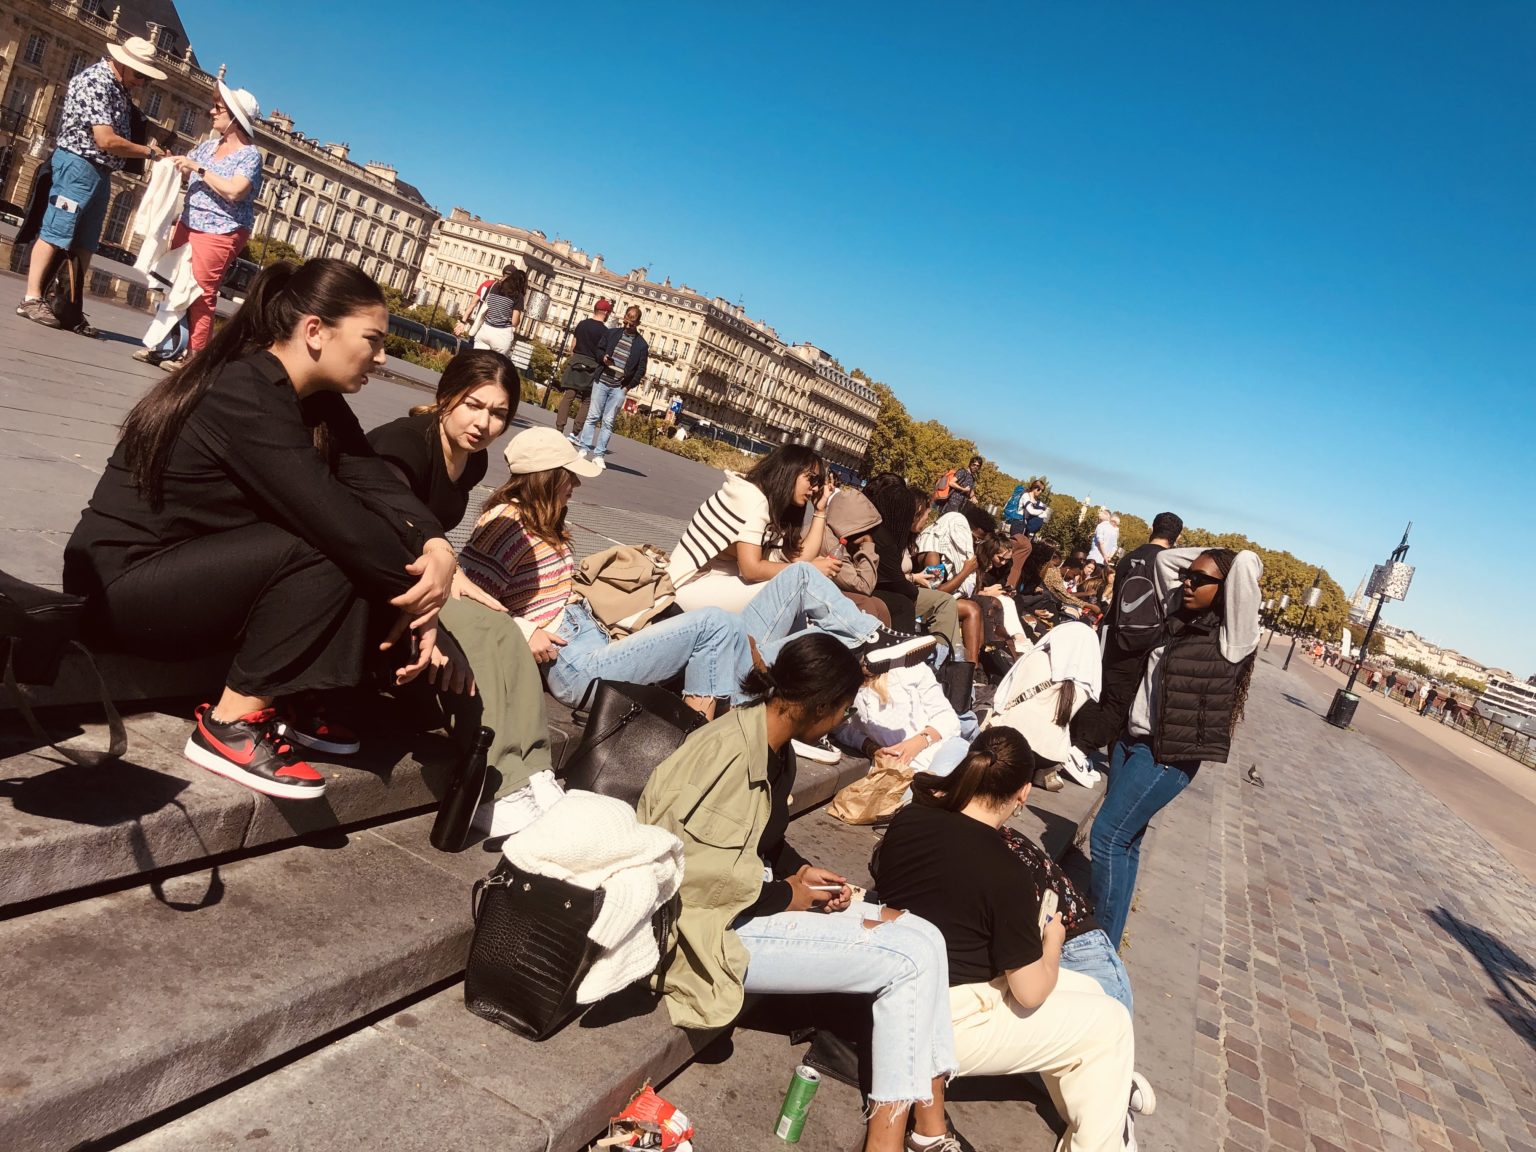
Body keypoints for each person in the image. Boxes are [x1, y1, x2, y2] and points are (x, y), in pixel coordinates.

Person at [63, 260, 456, 799]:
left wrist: (436, 545)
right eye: (373, 339)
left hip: (191, 575)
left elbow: (377, 484)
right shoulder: (243, 391)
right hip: (120, 588)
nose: (383, 357)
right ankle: (230, 723)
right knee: (323, 541)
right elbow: (332, 518)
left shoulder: (315, 400)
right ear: (315, 331)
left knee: (353, 538)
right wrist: (423, 603)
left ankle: (300, 694)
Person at [636, 634, 960, 1152]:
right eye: (844, 709)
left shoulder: (772, 744)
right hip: (703, 930)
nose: (844, 721)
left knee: (925, 936)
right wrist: (788, 896)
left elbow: (761, 838)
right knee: (907, 961)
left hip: (745, 903)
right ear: (821, 705)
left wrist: (803, 872)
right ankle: (889, 1141)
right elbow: (684, 874)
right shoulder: (723, 753)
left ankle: (930, 1130)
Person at [874, 727, 1148, 1152]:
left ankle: (1104, 1117)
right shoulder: (1008, 871)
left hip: (904, 989)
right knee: (1110, 1024)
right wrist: (1052, 941)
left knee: (1094, 994)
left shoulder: (909, 819)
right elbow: (1030, 991)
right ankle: (1104, 1136)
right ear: (1023, 792)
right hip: (951, 1020)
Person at [366, 350, 555, 816]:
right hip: (380, 580)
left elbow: (428, 527)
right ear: (446, 395)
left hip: (423, 574)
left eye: (499, 413)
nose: (484, 423)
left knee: (503, 627)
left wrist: (457, 574)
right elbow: (381, 527)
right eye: (473, 404)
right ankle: (498, 784)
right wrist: (440, 603)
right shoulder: (406, 444)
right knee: (481, 633)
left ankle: (537, 773)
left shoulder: (471, 461)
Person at [457, 427, 750, 722]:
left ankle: (737, 724)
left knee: (733, 625)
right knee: (713, 624)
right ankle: (699, 734)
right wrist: (524, 630)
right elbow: (464, 596)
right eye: (570, 475)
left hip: (589, 641)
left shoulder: (539, 518)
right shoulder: (506, 522)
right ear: (547, 477)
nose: (577, 483)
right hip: (572, 665)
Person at [1089, 547, 1262, 950]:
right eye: (1189, 576)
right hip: (1130, 742)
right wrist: (1205, 562)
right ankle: (1108, 943)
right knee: (1126, 841)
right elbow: (1164, 562)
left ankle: (1097, 947)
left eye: (1200, 580)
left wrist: (1226, 561)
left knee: (1106, 836)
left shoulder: (1232, 638)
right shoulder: (1179, 620)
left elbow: (1246, 561)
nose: (1188, 582)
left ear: (1227, 589)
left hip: (1166, 755)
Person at [665, 447, 936, 668]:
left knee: (799, 602)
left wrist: (820, 511)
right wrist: (808, 570)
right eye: (811, 479)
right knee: (800, 581)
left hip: (719, 585)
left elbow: (799, 558)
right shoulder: (750, 498)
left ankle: (810, 671)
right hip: (686, 589)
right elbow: (751, 569)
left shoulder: (769, 505)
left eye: (819, 482)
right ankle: (868, 639)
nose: (815, 488)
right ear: (789, 471)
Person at [18, 36, 168, 329]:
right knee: (55, 231)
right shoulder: (96, 82)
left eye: (147, 78)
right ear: (122, 63)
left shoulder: (119, 88)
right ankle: (31, 299)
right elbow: (105, 140)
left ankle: (67, 304)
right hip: (78, 165)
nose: (142, 83)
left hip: (101, 171)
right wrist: (150, 153)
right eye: (140, 75)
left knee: (85, 244)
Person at [135, 82, 263, 368]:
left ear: (235, 117)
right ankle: (165, 346)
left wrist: (198, 168)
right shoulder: (207, 146)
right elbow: (185, 167)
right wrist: (168, 162)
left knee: (201, 292)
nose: (211, 112)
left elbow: (235, 190)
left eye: (218, 108)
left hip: (222, 229)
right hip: (189, 221)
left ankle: (195, 360)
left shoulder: (250, 156)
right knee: (174, 283)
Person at [1071, 512, 1183, 754]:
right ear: (1178, 537)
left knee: (1099, 690)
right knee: (1119, 702)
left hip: (1111, 631)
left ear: (1152, 528)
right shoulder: (1167, 564)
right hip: (1141, 641)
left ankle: (1077, 740)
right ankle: (1082, 749)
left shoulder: (1129, 558)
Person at [835, 659, 978, 782]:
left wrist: (918, 742)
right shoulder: (849, 684)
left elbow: (947, 718)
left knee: (936, 789)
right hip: (900, 771)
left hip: (942, 752)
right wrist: (871, 748)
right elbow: (841, 727)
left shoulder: (909, 668)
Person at [577, 304, 649, 468]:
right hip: (602, 380)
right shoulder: (611, 333)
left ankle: (599, 455)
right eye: (625, 323)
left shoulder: (641, 345)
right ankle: (583, 448)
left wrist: (628, 387)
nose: (627, 326)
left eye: (631, 324)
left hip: (619, 386)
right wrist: (603, 358)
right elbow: (599, 350)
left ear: (638, 324)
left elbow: (641, 370)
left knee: (608, 422)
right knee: (592, 416)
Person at [555, 297, 612, 439]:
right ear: (606, 312)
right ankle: (575, 432)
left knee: (568, 396)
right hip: (593, 366)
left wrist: (575, 357)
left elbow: (573, 345)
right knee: (587, 400)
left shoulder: (582, 324)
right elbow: (604, 353)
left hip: (577, 361)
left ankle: (559, 428)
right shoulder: (606, 332)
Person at [457, 264, 526, 357]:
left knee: (477, 360)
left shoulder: (491, 286)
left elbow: (473, 303)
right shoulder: (517, 294)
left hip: (484, 331)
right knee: (496, 363)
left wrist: (463, 322)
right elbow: (514, 322)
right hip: (502, 335)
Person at [1003, 480, 1049, 591]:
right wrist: (1042, 511)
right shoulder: (1025, 496)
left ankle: (1011, 583)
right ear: (1035, 488)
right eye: (1039, 490)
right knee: (1015, 551)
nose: (1040, 492)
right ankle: (1005, 578)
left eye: (1042, 491)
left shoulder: (1034, 499)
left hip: (1024, 526)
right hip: (1018, 524)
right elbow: (1031, 510)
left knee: (1019, 556)